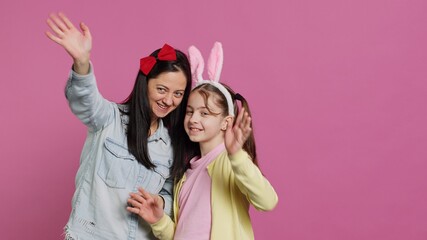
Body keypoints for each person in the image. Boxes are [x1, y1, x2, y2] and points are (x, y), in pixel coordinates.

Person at [45, 12, 193, 239]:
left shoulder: (171, 146)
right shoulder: (108, 119)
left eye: (178, 94)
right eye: (161, 89)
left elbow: (170, 194)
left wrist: (159, 201)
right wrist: (81, 62)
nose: (168, 100)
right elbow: (85, 101)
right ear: (145, 83)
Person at [127, 42, 278, 239]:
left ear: (226, 122)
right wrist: (159, 221)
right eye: (190, 111)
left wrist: (236, 156)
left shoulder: (230, 162)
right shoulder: (185, 175)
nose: (194, 119)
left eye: (204, 113)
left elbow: (268, 201)